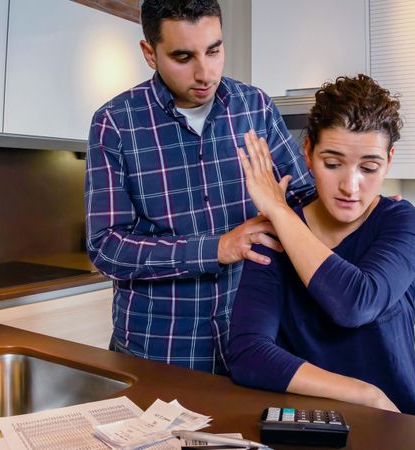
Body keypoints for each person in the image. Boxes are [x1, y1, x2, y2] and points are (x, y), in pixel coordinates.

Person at [84, 0, 315, 374]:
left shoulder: (254, 106)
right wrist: (218, 248)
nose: (205, 72)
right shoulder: (116, 123)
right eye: (182, 56)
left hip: (252, 342)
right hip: (158, 350)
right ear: (150, 53)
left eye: (214, 50)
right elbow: (107, 248)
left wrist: (375, 218)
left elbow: (306, 200)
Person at [226, 75, 415, 419]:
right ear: (308, 153)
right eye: (333, 163)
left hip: (398, 422)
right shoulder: (275, 232)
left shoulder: (403, 223)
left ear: (389, 160)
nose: (350, 186)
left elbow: (355, 303)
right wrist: (363, 393)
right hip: (309, 424)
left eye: (369, 167)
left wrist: (280, 213)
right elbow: (247, 353)